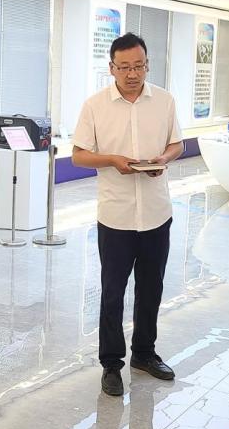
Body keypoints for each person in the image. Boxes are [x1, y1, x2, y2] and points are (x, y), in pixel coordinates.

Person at [72, 32, 184, 397]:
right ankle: (111, 363)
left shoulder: (164, 101)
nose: (132, 73)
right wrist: (112, 160)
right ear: (111, 68)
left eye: (138, 66)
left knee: (151, 289)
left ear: (148, 64)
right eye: (124, 67)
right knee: (112, 293)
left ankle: (145, 353)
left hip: (156, 212)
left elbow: (177, 143)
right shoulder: (94, 105)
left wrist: (163, 159)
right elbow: (79, 155)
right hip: (116, 217)